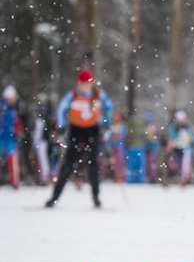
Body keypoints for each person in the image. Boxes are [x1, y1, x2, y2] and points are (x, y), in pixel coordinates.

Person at [46, 69, 113, 208]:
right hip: (76, 130)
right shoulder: (73, 95)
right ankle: (54, 197)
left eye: (87, 84)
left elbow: (109, 108)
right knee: (68, 165)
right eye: (82, 84)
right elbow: (61, 109)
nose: (85, 87)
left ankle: (96, 198)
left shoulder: (99, 94)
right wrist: (61, 128)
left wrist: (106, 125)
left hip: (92, 131)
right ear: (78, 83)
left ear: (92, 83)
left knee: (93, 164)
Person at [166, 109, 194, 186]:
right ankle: (172, 178)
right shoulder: (174, 126)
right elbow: (172, 136)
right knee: (175, 164)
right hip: (177, 148)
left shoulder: (188, 126)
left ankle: (185, 179)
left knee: (186, 164)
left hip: (187, 147)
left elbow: (193, 137)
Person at [0, 86, 23, 188]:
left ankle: (15, 181)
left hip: (10, 138)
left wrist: (19, 130)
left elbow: (16, 122)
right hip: (1, 137)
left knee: (13, 159)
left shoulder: (13, 109)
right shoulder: (2, 108)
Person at [105, 111, 127, 184]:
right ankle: (116, 177)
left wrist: (118, 136)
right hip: (112, 146)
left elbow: (122, 135)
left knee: (120, 161)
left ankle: (121, 177)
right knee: (114, 162)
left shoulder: (122, 126)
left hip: (119, 146)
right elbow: (107, 136)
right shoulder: (111, 126)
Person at [125, 111, 148, 184]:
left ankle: (130, 180)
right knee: (140, 165)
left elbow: (126, 137)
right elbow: (145, 137)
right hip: (140, 147)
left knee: (131, 165)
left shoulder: (129, 126)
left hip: (132, 147)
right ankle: (140, 180)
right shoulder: (142, 126)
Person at [143, 112, 161, 183]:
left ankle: (153, 177)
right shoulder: (146, 127)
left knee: (152, 162)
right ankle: (150, 176)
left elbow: (157, 137)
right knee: (148, 162)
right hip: (148, 147)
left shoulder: (154, 127)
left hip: (153, 147)